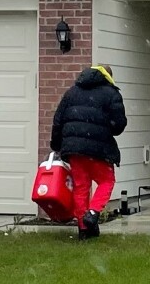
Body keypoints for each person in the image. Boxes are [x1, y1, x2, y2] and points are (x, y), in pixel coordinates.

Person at [49, 64, 127, 239]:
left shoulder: (71, 92)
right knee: (106, 181)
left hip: (74, 150)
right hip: (99, 149)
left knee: (81, 187)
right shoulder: (111, 94)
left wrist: (57, 144)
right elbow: (118, 125)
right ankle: (92, 213)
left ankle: (84, 230)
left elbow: (58, 120)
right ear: (108, 77)